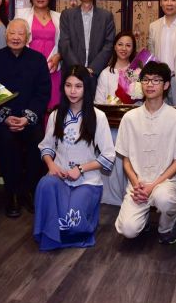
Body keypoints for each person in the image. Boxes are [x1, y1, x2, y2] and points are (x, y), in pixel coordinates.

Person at [33, 66, 115, 250]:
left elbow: (108, 156)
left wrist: (80, 169)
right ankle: (49, 234)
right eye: (68, 85)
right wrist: (51, 165)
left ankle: (80, 225)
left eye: (78, 86)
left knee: (71, 222)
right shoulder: (56, 115)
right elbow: (46, 146)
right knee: (45, 184)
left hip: (87, 181)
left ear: (86, 87)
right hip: (59, 178)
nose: (72, 91)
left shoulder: (98, 116)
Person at [114, 61, 176, 245]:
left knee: (164, 200)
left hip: (165, 182)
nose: (150, 84)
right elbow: (126, 159)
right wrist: (137, 183)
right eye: (146, 80)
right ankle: (142, 221)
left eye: (156, 80)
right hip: (138, 184)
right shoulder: (129, 118)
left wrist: (153, 186)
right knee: (128, 230)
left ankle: (167, 228)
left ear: (166, 85)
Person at [0, 19, 51, 218]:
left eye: (21, 34)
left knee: (38, 140)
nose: (16, 37)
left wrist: (27, 118)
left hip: (28, 119)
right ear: (6, 36)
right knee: (6, 141)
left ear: (28, 37)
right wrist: (5, 118)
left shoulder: (38, 60)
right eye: (12, 33)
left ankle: (29, 191)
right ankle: (11, 193)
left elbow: (43, 93)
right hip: (3, 121)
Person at [94, 31, 137, 206]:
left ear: (133, 48)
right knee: (111, 140)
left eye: (128, 45)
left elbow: (141, 101)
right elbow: (98, 102)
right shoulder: (106, 73)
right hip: (109, 124)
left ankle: (128, 193)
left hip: (131, 124)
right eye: (120, 44)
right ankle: (108, 194)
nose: (123, 48)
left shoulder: (135, 72)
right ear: (114, 46)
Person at [15, 0, 62, 110]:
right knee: (30, 105)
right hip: (28, 67)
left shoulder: (59, 17)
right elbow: (14, 41)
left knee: (52, 107)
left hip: (52, 67)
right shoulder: (21, 14)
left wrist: (59, 56)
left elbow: (65, 42)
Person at [58, 0, 116, 81]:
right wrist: (78, 70)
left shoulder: (106, 16)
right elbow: (64, 44)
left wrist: (93, 68)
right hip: (72, 72)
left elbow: (109, 44)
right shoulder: (67, 15)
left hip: (96, 73)